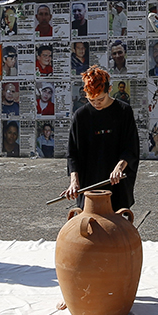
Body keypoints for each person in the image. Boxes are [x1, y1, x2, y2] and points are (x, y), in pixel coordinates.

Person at [64, 66, 140, 211]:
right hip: (89, 179)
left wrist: (119, 167)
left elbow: (131, 146)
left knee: (117, 225)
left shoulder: (124, 111)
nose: (96, 104)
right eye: (91, 100)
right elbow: (72, 153)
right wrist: (74, 182)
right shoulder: (80, 116)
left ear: (109, 89)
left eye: (101, 99)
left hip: (116, 182)